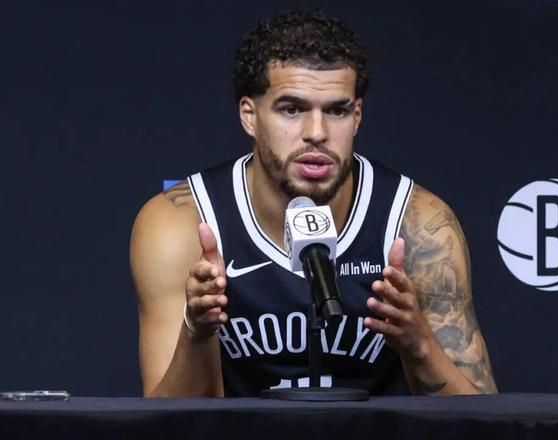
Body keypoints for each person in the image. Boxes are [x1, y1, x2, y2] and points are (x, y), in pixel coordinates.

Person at [130, 9, 497, 397]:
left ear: (357, 117)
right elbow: (167, 422)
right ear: (249, 116)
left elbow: (483, 419)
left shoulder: (418, 223)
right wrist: (197, 332)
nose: (317, 133)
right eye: (292, 109)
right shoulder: (179, 223)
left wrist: (419, 344)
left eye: (336, 111)